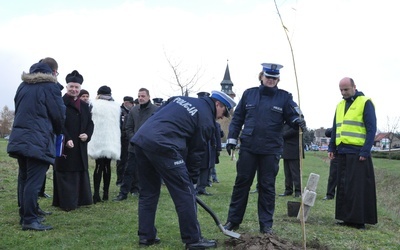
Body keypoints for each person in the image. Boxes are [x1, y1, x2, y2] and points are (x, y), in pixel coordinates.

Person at [130, 90, 236, 248]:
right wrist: (192, 181)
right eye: (223, 113)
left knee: (148, 192)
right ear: (218, 104)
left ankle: (146, 237)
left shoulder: (179, 99)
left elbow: (157, 115)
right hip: (164, 146)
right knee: (185, 195)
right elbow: (196, 154)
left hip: (142, 140)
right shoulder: (207, 120)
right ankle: (193, 240)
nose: (221, 117)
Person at [223, 63, 306, 235]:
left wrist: (297, 121)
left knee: (267, 186)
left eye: (274, 78)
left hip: (271, 149)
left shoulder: (284, 97)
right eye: (268, 77)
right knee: (241, 184)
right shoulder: (249, 94)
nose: (271, 80)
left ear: (278, 80)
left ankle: (266, 225)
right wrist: (231, 138)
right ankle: (233, 220)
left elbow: (292, 116)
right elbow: (238, 118)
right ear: (261, 76)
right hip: (249, 146)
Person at [7, 57, 65, 231]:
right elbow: (58, 115)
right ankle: (29, 220)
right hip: (38, 139)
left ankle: (26, 213)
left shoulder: (23, 86)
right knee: (34, 181)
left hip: (20, 137)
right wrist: (57, 131)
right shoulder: (51, 87)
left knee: (24, 178)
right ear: (54, 72)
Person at [328, 77, 377, 230]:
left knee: (357, 188)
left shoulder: (365, 102)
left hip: (357, 152)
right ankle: (345, 217)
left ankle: (358, 220)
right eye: (341, 90)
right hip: (341, 151)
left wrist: (365, 150)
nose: (343, 93)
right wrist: (331, 148)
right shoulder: (340, 105)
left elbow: (371, 129)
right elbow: (336, 128)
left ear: (354, 87)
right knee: (343, 186)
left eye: (346, 89)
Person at [52, 70, 94, 211]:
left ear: (80, 88)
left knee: (79, 171)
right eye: (71, 87)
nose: (74, 90)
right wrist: (66, 139)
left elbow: (90, 123)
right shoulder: (60, 103)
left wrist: (87, 135)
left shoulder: (84, 105)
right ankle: (67, 202)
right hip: (65, 145)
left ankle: (81, 200)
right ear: (67, 87)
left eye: (77, 87)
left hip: (80, 145)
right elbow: (58, 123)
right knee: (66, 172)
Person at [113, 88, 158, 201]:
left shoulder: (156, 110)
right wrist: (134, 139)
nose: (140, 98)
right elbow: (128, 127)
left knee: (148, 171)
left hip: (149, 147)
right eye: (139, 96)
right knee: (129, 170)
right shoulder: (134, 110)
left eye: (143, 96)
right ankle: (123, 193)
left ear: (148, 97)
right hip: (134, 146)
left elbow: (158, 129)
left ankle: (146, 192)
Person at [88, 85, 121, 203]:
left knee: (98, 166)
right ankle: (106, 194)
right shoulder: (116, 107)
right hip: (111, 139)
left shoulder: (93, 104)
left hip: (98, 138)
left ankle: (96, 194)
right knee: (107, 166)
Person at [279, 123, 304, 198]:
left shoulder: (298, 121)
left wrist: (282, 134)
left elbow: (294, 131)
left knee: (295, 172)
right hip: (286, 150)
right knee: (287, 173)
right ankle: (288, 189)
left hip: (294, 150)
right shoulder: (285, 122)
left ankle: (298, 191)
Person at [115, 96, 135, 186]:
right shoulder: (119, 111)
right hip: (121, 139)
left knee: (129, 161)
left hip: (129, 139)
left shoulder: (132, 111)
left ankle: (127, 180)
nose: (132, 105)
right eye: (131, 103)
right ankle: (120, 180)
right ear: (126, 103)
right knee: (121, 161)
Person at [323, 128, 337, 200]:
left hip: (349, 152)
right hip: (336, 153)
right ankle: (329, 194)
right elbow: (327, 133)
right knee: (333, 175)